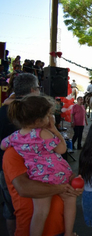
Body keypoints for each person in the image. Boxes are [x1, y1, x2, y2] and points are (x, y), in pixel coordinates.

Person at [1, 95, 77, 236]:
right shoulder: (43, 133)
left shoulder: (15, 137)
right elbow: (61, 149)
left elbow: (2, 145)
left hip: (37, 175)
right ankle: (69, 233)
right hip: (57, 175)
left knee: (40, 213)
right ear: (39, 120)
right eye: (49, 115)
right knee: (70, 198)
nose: (51, 117)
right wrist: (54, 129)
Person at [0, 73, 40, 236]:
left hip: (5, 168)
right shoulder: (34, 112)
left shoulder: (3, 109)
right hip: (30, 170)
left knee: (11, 210)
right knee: (29, 211)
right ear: (32, 90)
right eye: (38, 88)